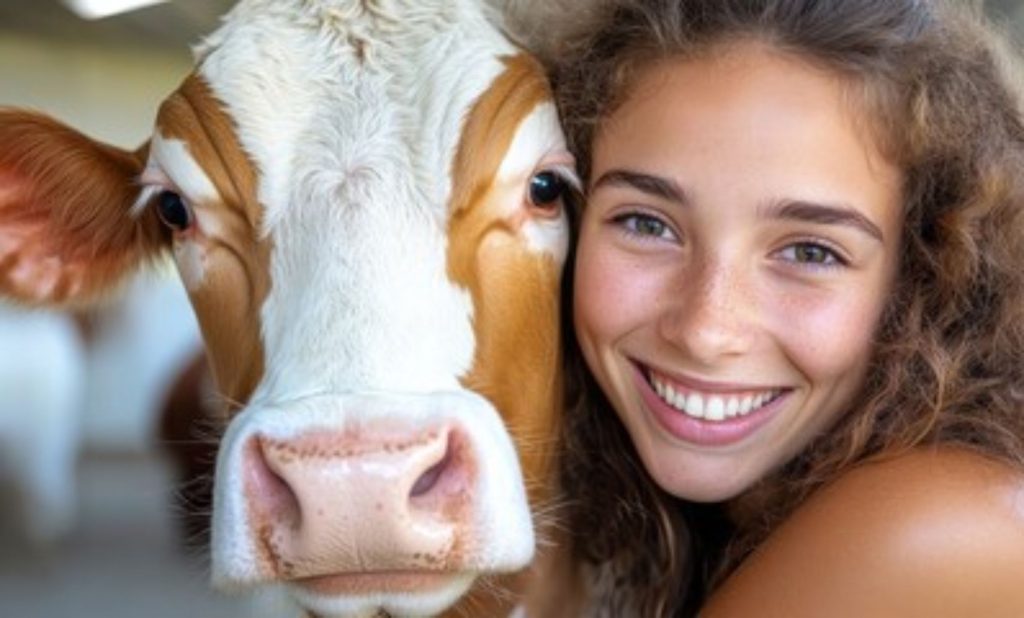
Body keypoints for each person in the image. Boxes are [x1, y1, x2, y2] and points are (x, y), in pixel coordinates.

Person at [550, 0, 1024, 615]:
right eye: (646, 223)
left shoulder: (942, 520)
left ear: (928, 270)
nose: (704, 330)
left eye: (810, 251)